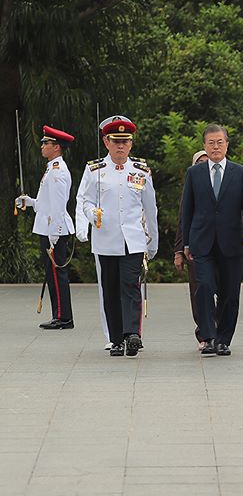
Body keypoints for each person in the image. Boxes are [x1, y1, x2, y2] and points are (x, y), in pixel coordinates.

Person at [77, 115, 158, 357]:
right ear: (106, 142)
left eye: (125, 141)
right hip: (105, 240)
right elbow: (83, 200)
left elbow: (150, 208)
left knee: (130, 286)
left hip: (133, 240)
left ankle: (132, 334)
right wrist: (91, 214)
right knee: (111, 290)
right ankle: (115, 339)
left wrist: (152, 242)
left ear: (131, 143)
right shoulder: (94, 170)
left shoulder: (141, 170)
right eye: (116, 141)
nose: (121, 145)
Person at [181, 123, 243, 357]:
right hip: (201, 241)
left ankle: (224, 339)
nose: (216, 147)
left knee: (229, 292)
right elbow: (187, 210)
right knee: (203, 287)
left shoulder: (240, 172)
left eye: (220, 142)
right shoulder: (194, 173)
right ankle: (209, 336)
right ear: (204, 146)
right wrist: (185, 243)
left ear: (227, 144)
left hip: (232, 241)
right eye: (211, 143)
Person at [16, 125, 75, 329]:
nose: (42, 146)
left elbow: (59, 205)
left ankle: (64, 317)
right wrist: (29, 201)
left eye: (45, 143)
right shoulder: (51, 168)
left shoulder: (58, 172)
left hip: (53, 230)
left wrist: (54, 234)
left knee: (58, 275)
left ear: (56, 147)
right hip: (47, 228)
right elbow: (45, 203)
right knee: (52, 275)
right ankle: (59, 314)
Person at [174, 150, 209, 349]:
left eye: (206, 162)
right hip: (195, 248)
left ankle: (218, 329)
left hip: (219, 248)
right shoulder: (191, 188)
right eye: (199, 162)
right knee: (198, 291)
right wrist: (179, 251)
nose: (203, 165)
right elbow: (182, 222)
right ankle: (204, 333)